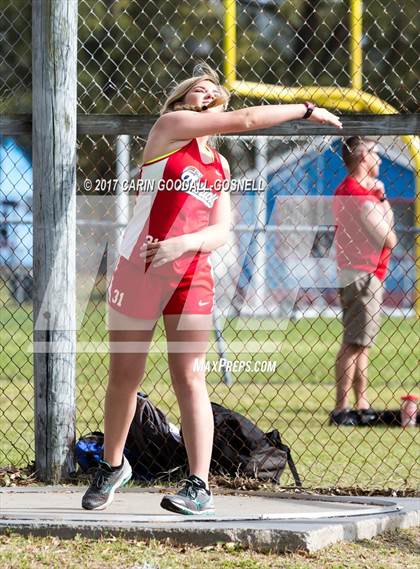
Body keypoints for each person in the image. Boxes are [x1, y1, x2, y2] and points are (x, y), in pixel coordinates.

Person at [82, 63, 342, 514]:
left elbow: (221, 230)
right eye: (197, 92)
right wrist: (304, 109)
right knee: (126, 376)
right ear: (182, 103)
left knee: (191, 375)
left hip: (190, 275)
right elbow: (243, 121)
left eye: (213, 93)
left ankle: (198, 485)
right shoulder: (168, 131)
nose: (206, 96)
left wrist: (182, 243)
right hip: (139, 269)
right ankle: (112, 465)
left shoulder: (218, 164)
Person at [331, 137, 397, 426]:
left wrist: (379, 198)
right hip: (363, 274)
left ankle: (360, 402)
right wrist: (382, 201)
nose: (379, 160)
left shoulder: (350, 191)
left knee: (362, 342)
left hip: (360, 272)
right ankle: (342, 408)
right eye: (375, 154)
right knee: (354, 343)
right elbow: (389, 238)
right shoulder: (360, 196)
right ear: (362, 158)